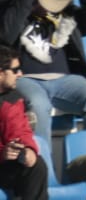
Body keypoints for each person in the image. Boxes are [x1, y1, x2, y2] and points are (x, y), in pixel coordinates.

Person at [0, 0, 86, 169]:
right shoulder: (12, 8)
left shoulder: (66, 14)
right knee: (37, 104)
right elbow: (5, 36)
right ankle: (44, 172)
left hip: (65, 80)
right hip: (24, 78)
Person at [0, 42, 45, 200]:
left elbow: (20, 131)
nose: (20, 74)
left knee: (36, 165)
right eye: (14, 70)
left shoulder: (13, 98)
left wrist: (27, 149)